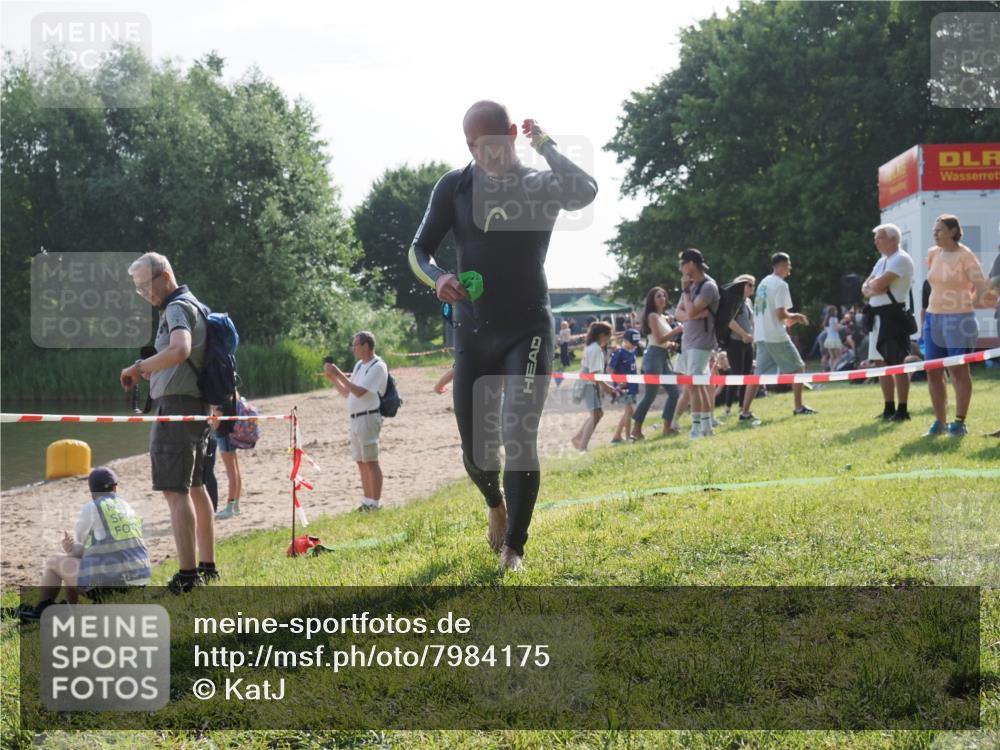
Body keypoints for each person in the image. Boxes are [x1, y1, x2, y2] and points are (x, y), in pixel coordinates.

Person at [407, 101, 597, 572]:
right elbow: (418, 249)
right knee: (476, 451)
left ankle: (514, 548)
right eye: (474, 147)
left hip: (528, 328)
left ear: (511, 135)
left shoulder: (538, 183)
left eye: (491, 144)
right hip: (473, 330)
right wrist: (437, 277)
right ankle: (495, 503)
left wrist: (545, 144)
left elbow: (584, 191)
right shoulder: (455, 186)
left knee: (518, 433)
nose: (483, 155)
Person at [120, 252, 216, 593]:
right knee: (196, 487)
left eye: (146, 284)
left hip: (177, 409)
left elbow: (180, 350)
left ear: (165, 276)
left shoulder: (176, 308)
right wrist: (152, 371)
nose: (144, 293)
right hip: (194, 406)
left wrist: (138, 368)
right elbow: (181, 359)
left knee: (175, 492)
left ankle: (188, 576)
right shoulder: (195, 305)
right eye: (138, 288)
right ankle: (207, 567)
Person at [20, 467, 151, 621]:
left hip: (112, 588)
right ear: (115, 487)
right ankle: (71, 608)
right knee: (80, 561)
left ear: (92, 492)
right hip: (139, 583)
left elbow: (77, 551)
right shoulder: (127, 507)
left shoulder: (93, 507)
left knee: (54, 560)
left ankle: (42, 610)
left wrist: (70, 548)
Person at [922, 215, 989, 437]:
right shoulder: (933, 253)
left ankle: (959, 423)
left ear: (953, 232)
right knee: (932, 371)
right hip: (933, 318)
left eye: (939, 229)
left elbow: (981, 287)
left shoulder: (965, 255)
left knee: (958, 370)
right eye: (934, 230)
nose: (935, 233)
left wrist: (969, 304)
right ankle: (939, 422)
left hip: (959, 319)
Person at [739, 252, 817, 423]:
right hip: (775, 336)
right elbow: (780, 313)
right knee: (798, 368)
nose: (790, 268)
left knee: (758, 375)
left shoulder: (763, 283)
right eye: (788, 265)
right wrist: (796, 316)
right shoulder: (781, 284)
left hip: (761, 335)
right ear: (781, 266)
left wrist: (789, 320)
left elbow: (771, 314)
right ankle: (799, 408)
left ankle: (744, 412)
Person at [324, 331, 389, 510]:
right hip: (355, 418)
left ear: (366, 346)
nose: (353, 349)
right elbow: (348, 393)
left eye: (355, 345)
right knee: (361, 461)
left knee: (371, 460)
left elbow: (360, 392)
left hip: (369, 416)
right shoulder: (359, 365)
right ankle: (367, 501)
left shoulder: (378, 366)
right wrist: (333, 378)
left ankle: (375, 503)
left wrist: (338, 373)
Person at [861, 223, 916, 422]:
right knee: (879, 362)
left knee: (897, 362)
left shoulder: (901, 258)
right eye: (875, 239)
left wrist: (873, 286)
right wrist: (873, 287)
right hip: (877, 317)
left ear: (893, 239)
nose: (876, 242)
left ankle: (902, 409)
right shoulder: (882, 261)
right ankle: (889, 407)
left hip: (892, 316)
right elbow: (866, 287)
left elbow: (877, 284)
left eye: (880, 238)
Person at [673, 249, 720, 439]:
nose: (680, 268)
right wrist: (692, 315)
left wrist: (686, 293)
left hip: (702, 342)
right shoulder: (691, 285)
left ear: (691, 263)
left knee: (693, 385)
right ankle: (706, 427)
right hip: (688, 341)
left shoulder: (708, 286)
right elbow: (678, 313)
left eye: (682, 264)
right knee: (699, 385)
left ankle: (697, 427)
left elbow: (690, 311)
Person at [630, 287, 682, 440]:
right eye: (658, 296)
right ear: (652, 300)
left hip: (663, 357)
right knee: (650, 395)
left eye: (664, 296)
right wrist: (677, 330)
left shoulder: (661, 317)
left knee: (674, 393)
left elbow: (661, 341)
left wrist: (671, 345)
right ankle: (636, 430)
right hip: (653, 357)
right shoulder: (652, 316)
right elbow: (658, 339)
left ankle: (667, 428)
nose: (662, 298)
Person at [571, 321, 616, 451]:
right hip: (588, 384)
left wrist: (604, 387)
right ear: (602, 335)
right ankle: (582, 447)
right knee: (595, 415)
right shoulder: (595, 349)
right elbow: (594, 374)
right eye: (609, 336)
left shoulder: (592, 347)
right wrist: (606, 388)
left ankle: (578, 439)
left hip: (588, 383)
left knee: (598, 414)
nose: (609, 339)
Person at [724, 275, 755, 416]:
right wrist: (744, 334)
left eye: (753, 285)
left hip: (748, 343)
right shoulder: (734, 300)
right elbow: (729, 321)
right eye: (749, 285)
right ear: (741, 285)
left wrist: (751, 336)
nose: (752, 288)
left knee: (747, 375)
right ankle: (727, 408)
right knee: (736, 375)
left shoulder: (748, 301)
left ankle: (742, 407)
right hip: (735, 342)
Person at [211, 399, 243, 519]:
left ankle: (230, 508)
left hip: (224, 434)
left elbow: (217, 420)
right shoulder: (232, 393)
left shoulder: (220, 397)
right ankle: (235, 506)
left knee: (231, 471)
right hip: (232, 432)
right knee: (235, 470)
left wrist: (211, 425)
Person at [610, 328, 641, 443]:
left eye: (635, 343)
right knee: (629, 411)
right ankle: (628, 437)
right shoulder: (619, 353)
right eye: (632, 343)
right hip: (623, 387)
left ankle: (617, 436)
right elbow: (609, 369)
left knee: (629, 412)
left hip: (632, 386)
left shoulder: (633, 350)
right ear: (625, 341)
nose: (634, 346)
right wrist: (618, 383)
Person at [821, 305, 843, 371]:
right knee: (839, 357)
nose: (837, 311)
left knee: (832, 356)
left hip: (829, 339)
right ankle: (834, 369)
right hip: (835, 339)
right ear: (833, 311)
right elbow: (836, 328)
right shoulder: (834, 319)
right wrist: (841, 325)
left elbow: (827, 330)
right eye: (835, 310)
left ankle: (831, 369)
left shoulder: (827, 320)